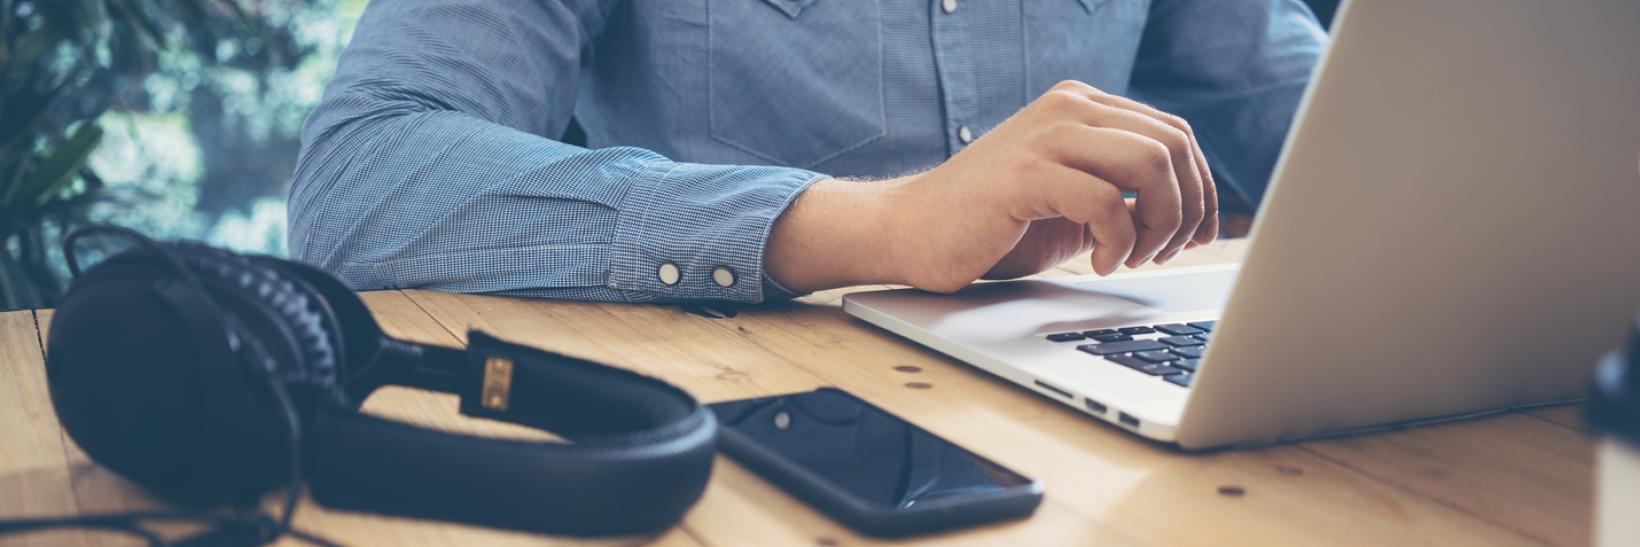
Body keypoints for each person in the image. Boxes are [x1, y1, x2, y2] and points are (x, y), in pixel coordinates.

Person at [289, 0, 1326, 303]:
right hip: (736, 449)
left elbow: (1337, 122)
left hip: (1085, 435)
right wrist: (879, 225)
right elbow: (358, 182)